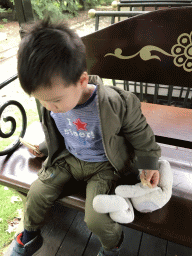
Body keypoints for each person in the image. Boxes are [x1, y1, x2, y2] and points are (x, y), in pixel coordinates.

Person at [10, 18, 161, 256]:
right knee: (37, 193)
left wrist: (149, 164)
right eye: (40, 100)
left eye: (55, 100)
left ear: (81, 81)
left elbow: (141, 134)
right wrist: (44, 147)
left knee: (96, 218)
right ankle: (29, 238)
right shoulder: (52, 100)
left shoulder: (114, 103)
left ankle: (113, 247)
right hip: (69, 159)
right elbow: (62, 133)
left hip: (104, 166)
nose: (49, 107)